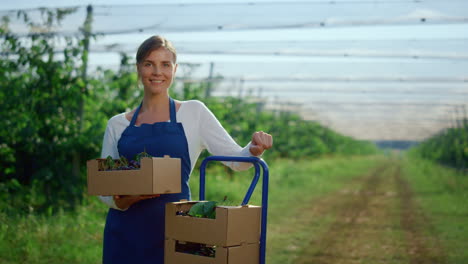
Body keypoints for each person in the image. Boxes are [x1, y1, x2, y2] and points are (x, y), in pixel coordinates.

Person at [98, 35, 273, 264]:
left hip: (181, 228)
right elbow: (105, 189)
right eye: (149, 64)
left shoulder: (193, 113)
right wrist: (129, 198)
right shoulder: (117, 124)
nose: (157, 72)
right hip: (126, 234)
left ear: (175, 69)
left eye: (165, 64)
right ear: (139, 68)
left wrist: (254, 148)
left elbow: (236, 161)